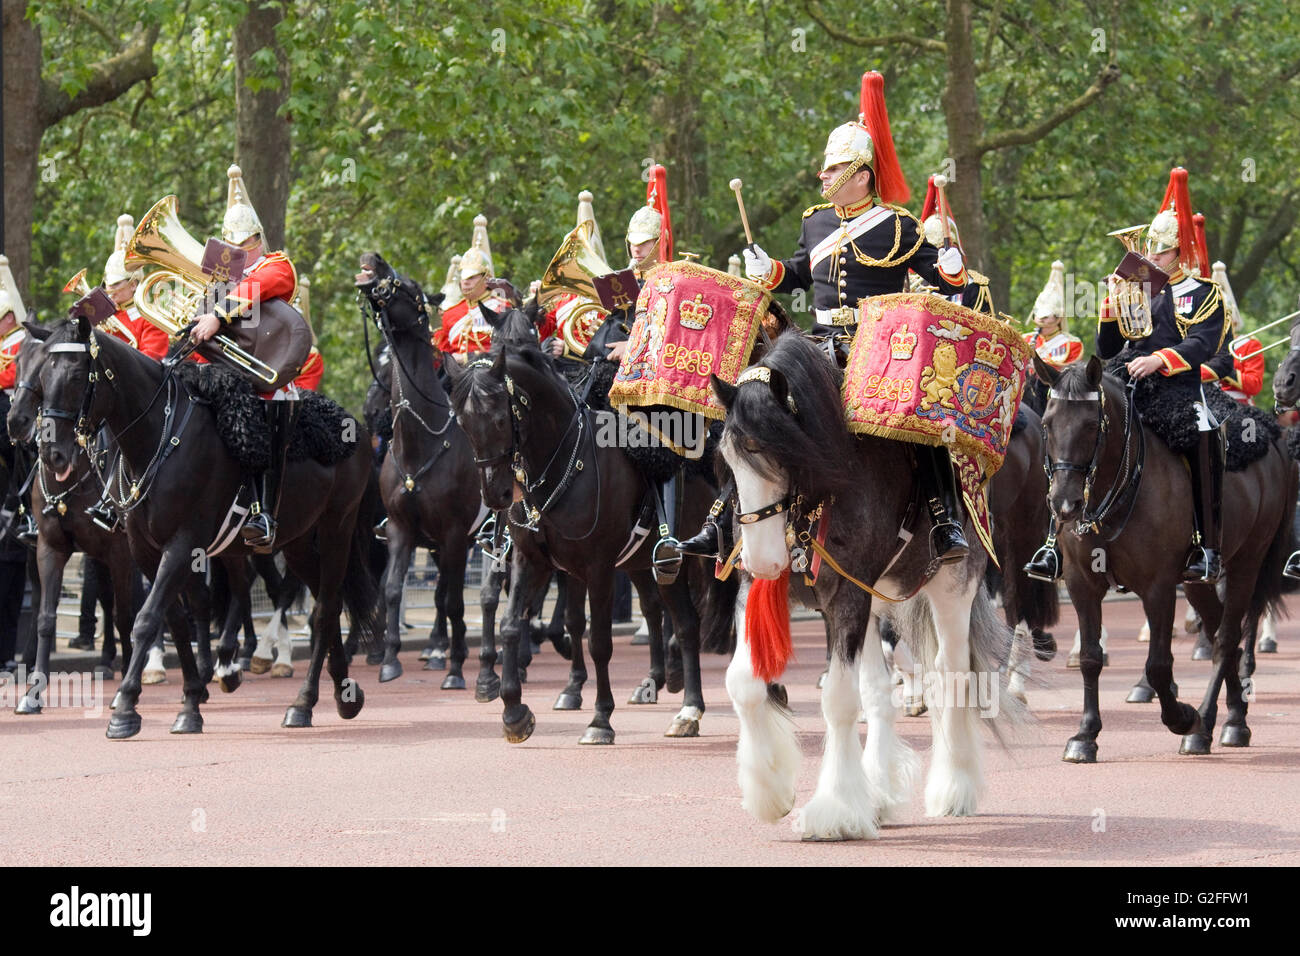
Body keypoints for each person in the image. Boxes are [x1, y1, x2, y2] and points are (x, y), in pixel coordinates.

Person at [685, 72, 971, 563]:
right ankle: (720, 518)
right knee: (750, 403)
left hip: (878, 347)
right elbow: (796, 275)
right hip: (817, 343)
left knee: (919, 417)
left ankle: (944, 519)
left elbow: (947, 284)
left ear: (861, 174)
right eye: (824, 169)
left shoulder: (898, 224)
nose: (823, 176)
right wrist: (769, 269)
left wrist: (951, 266)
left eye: (833, 168)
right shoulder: (815, 220)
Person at [1026, 167, 1228, 583]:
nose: (1151, 259)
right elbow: (1107, 350)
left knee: (1206, 435)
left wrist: (1162, 359)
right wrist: (1109, 307)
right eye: (1149, 251)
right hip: (1125, 378)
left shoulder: (1204, 291)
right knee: (1072, 424)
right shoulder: (1137, 284)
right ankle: (1054, 544)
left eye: (1161, 253)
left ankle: (1206, 547)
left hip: (1177, 385)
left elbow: (1204, 343)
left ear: (1180, 253)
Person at [191, 165, 310, 550]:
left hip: (265, 375)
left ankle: (263, 512)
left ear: (259, 239)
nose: (241, 252)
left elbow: (260, 286)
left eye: (246, 245)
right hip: (220, 371)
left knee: (267, 416)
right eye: (233, 246)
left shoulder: (276, 265)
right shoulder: (220, 279)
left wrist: (218, 312)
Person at [432, 215, 512, 361]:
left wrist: (466, 357)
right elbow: (444, 355)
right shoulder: (451, 314)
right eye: (463, 278)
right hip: (456, 375)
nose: (465, 282)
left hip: (492, 372)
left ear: (486, 279)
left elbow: (507, 349)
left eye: (471, 278)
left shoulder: (502, 307)